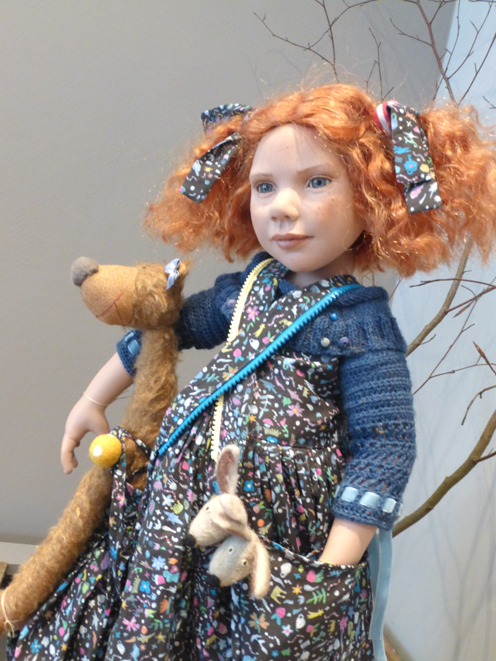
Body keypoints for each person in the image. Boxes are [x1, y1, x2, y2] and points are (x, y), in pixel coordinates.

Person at [23, 85, 496, 660]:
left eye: (316, 182)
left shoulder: (361, 325)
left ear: (373, 197)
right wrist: (94, 398)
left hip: (277, 544)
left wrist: (326, 575)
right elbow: (167, 327)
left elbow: (384, 447)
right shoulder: (248, 288)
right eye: (265, 186)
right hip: (181, 513)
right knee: (163, 627)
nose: (281, 207)